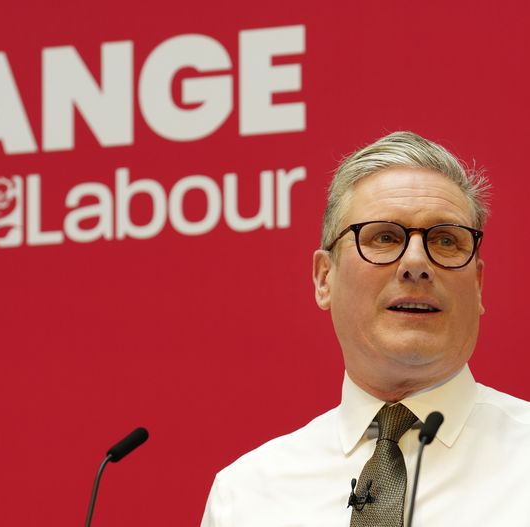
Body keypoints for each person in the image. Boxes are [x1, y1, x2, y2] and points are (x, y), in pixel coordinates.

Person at [200, 131, 530, 526]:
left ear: (477, 285)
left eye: (445, 241)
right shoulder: (247, 496)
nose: (416, 262)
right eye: (384, 237)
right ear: (324, 278)